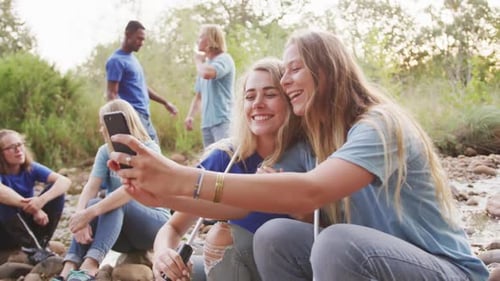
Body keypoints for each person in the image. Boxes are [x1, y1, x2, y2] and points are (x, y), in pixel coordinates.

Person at [108, 29, 489, 281]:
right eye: (281, 76)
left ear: (327, 70)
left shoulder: (378, 125)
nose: (285, 80)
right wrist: (162, 196)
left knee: (336, 241)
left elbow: (308, 192)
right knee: (276, 234)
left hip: (443, 269)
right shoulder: (317, 144)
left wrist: (179, 176)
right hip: (377, 265)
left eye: (293, 70)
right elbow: (245, 206)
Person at [153, 58, 314, 281]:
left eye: (270, 94)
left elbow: (330, 235)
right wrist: (163, 255)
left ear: (289, 100)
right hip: (235, 268)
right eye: (249, 97)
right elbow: (173, 227)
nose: (257, 103)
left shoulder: (311, 156)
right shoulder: (226, 157)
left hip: (287, 270)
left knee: (221, 236)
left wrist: (296, 207)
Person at [54, 99, 171, 281]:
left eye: (103, 125)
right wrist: (80, 219)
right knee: (95, 202)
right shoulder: (104, 151)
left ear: (121, 124)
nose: (101, 130)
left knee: (112, 203)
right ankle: (68, 269)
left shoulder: (149, 149)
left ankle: (90, 266)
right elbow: (91, 187)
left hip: (153, 227)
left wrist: (90, 212)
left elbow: (129, 191)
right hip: (120, 235)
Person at [106, 20, 178, 143]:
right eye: (139, 39)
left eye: (143, 39)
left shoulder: (132, 59)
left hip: (144, 115)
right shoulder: (116, 61)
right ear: (128, 34)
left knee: (154, 152)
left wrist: (165, 103)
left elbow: (142, 87)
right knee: (150, 154)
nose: (142, 43)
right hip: (133, 116)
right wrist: (120, 121)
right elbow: (111, 93)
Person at [0, 129, 70, 253]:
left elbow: (64, 181)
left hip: (27, 226)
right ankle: (33, 248)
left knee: (56, 193)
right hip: (5, 232)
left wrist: (41, 200)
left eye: (20, 144)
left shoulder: (30, 168)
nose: (18, 149)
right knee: (4, 203)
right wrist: (35, 208)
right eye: (11, 147)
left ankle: (41, 244)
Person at [184, 24, 235, 148]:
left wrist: (197, 60)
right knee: (211, 162)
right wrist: (190, 116)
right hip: (206, 124)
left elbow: (207, 73)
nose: (198, 40)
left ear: (211, 39)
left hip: (223, 121)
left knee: (224, 159)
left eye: (201, 37)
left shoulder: (224, 59)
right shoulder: (205, 65)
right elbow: (198, 96)